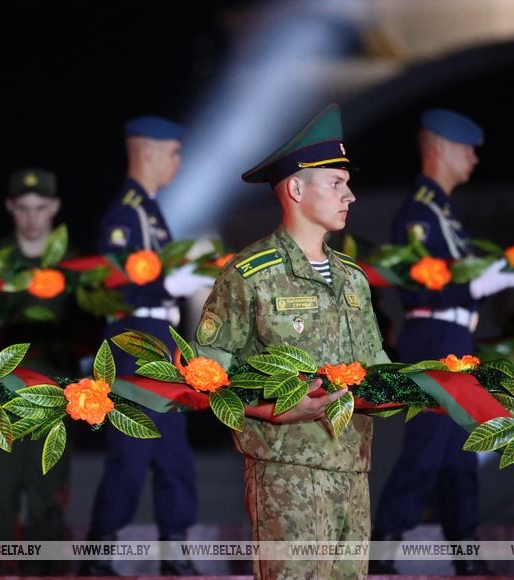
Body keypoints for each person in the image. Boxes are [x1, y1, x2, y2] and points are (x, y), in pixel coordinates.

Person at [192, 103, 389, 579]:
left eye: (347, 183)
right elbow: (207, 373)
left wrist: (439, 388)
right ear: (297, 189)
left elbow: (375, 368)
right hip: (286, 471)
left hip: (352, 469)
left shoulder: (354, 280)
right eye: (336, 184)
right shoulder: (251, 275)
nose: (351, 195)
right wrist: (271, 409)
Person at [370, 108, 514, 575]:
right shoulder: (420, 212)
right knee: (429, 443)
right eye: (467, 149)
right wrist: (480, 283)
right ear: (439, 149)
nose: (474, 160)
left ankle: (464, 549)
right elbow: (424, 282)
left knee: (460, 446)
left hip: (455, 333)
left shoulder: (443, 212)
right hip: (435, 332)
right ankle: (386, 544)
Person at [80, 115, 212, 576]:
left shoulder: (150, 212)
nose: (178, 163)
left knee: (173, 450)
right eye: (173, 153)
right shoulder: (126, 213)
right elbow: (113, 281)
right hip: (133, 338)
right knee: (131, 453)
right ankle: (99, 550)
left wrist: (175, 283)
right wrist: (163, 283)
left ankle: (175, 549)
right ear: (149, 154)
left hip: (158, 337)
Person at [0, 167, 73, 576]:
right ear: (10, 208)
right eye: (24, 208)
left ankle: (49, 568)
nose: (33, 218)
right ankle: (0, 568)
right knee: (0, 488)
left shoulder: (74, 267)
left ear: (54, 207)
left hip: (55, 392)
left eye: (41, 207)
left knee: (48, 488)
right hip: (1, 392)